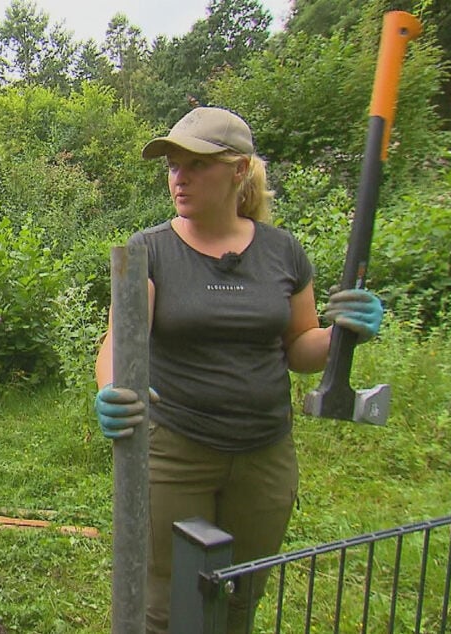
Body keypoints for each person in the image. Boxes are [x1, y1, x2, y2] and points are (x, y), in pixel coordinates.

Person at [93, 106, 383, 633]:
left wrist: (343, 332)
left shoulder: (283, 252)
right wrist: (113, 386)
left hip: (265, 455)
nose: (178, 177)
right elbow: (120, 339)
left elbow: (299, 347)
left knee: (237, 599)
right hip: (177, 451)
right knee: (165, 602)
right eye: (173, 165)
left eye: (195, 165)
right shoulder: (150, 250)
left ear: (239, 169)